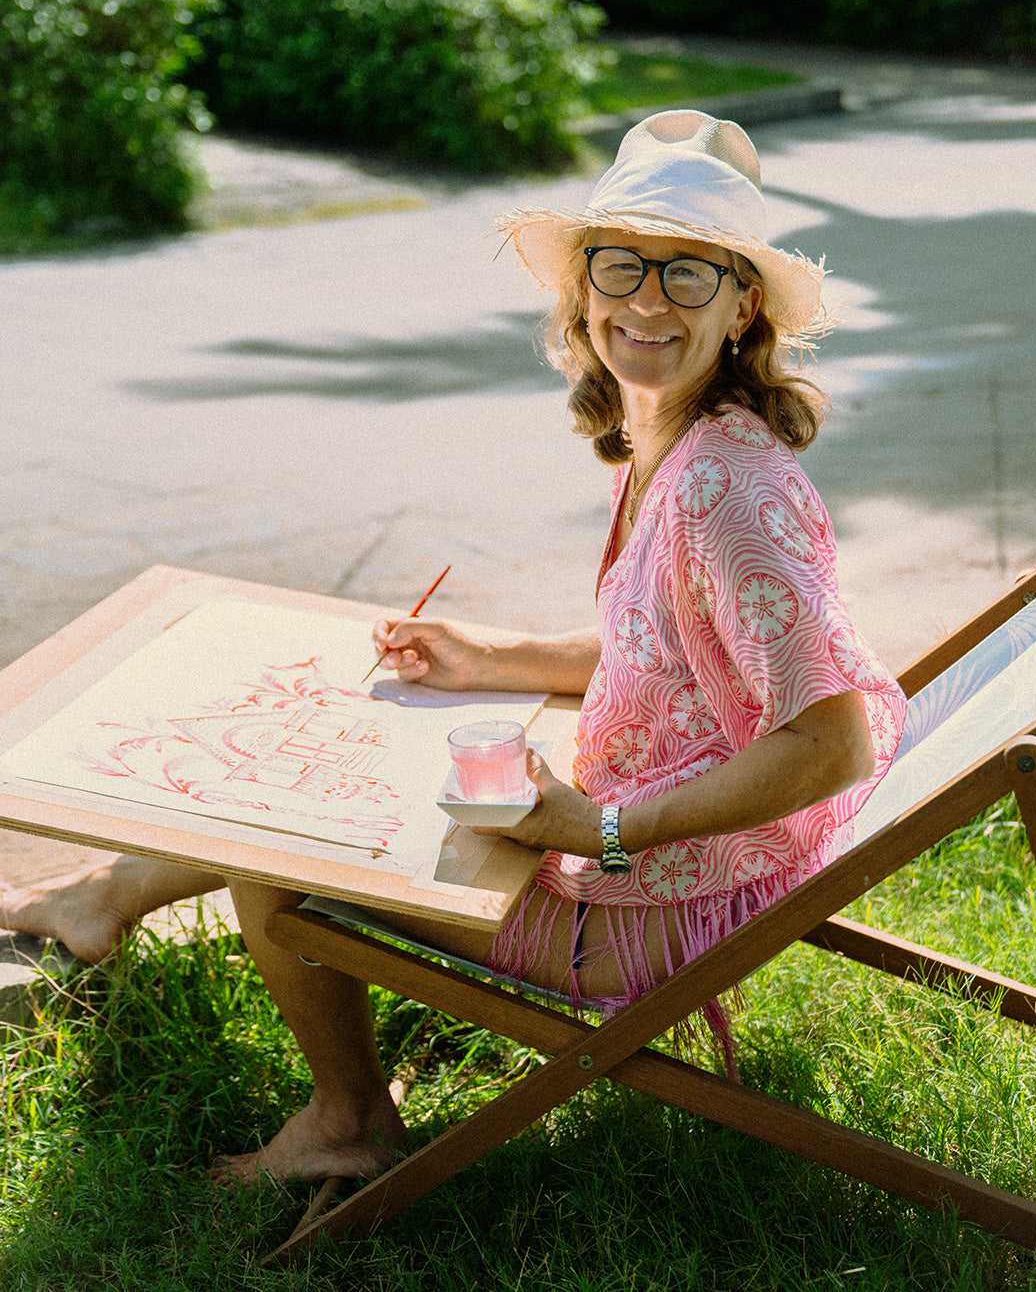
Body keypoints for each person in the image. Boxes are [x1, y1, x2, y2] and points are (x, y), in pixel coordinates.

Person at [4, 111, 905, 1185]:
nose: (648, 300)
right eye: (621, 265)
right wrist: (492, 657)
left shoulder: (726, 492)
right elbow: (665, 656)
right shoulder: (678, 440)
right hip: (687, 869)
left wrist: (603, 826)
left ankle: (340, 1120)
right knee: (343, 742)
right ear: (583, 289)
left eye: (689, 274)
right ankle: (107, 896)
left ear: (742, 302)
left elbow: (832, 742)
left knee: (277, 835)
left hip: (657, 909)